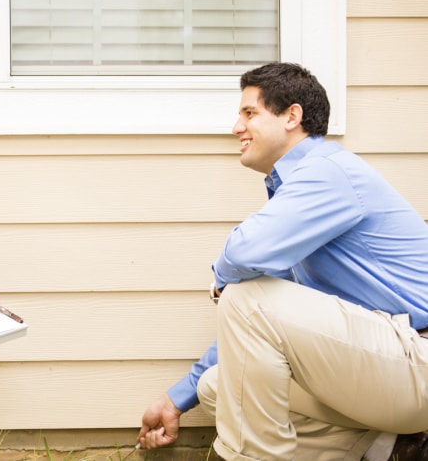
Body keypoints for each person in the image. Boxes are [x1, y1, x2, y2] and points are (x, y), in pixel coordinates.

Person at [138, 62, 428, 460]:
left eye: (249, 113)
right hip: (388, 372)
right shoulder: (299, 206)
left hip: (417, 362)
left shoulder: (327, 172)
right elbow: (248, 332)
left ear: (292, 116)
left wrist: (224, 280)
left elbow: (242, 255)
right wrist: (174, 401)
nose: (236, 127)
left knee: (247, 298)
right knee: (217, 385)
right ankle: (387, 448)